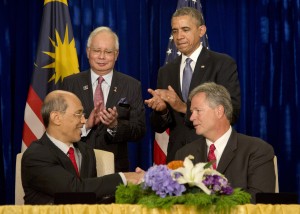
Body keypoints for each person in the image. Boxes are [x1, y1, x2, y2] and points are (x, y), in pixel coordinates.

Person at [145, 7, 241, 163]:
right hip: (177, 157)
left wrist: (183, 107)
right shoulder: (166, 71)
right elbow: (158, 127)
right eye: (175, 31)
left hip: (211, 153)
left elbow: (232, 112)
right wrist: (162, 111)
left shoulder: (222, 64)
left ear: (201, 30)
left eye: (185, 29)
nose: (179, 36)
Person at [21, 90, 144, 205]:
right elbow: (74, 190)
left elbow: (93, 197)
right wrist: (124, 178)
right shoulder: (36, 155)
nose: (84, 121)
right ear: (56, 118)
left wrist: (135, 189)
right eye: (78, 114)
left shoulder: (86, 150)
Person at [61, 26, 146, 172]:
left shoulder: (131, 85)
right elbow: (59, 127)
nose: (102, 57)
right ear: (88, 52)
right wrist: (86, 125)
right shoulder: (70, 84)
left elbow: (139, 130)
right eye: (96, 51)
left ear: (116, 54)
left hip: (115, 168)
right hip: (77, 168)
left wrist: (114, 126)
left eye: (108, 52)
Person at [174, 82, 275, 203]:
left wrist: (211, 203)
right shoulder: (184, 154)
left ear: (219, 111)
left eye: (198, 110)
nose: (191, 118)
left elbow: (260, 200)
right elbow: (176, 200)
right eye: (192, 111)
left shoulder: (257, 150)